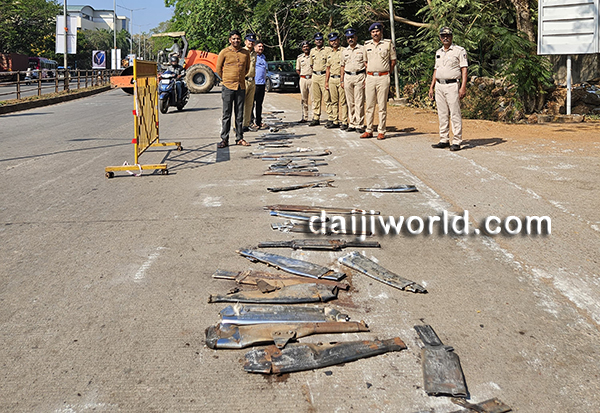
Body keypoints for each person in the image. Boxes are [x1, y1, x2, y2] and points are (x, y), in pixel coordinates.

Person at [428, 27, 468, 152]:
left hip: (452, 85)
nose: (445, 38)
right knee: (442, 113)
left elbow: (464, 69)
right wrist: (431, 86)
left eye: (448, 35)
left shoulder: (459, 51)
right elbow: (436, 70)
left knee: (455, 113)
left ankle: (456, 140)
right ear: (440, 38)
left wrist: (463, 87)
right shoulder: (438, 52)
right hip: (439, 85)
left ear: (452, 37)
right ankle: (444, 139)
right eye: (443, 36)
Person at [216, 30, 251, 148]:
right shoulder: (224, 52)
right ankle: (224, 139)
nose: (236, 40)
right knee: (227, 114)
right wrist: (226, 79)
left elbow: (247, 68)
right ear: (230, 40)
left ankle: (239, 138)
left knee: (239, 114)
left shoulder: (245, 53)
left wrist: (239, 78)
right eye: (234, 38)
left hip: (241, 86)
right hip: (228, 86)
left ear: (241, 40)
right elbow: (218, 69)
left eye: (238, 38)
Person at [362, 22, 396, 140]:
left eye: (377, 31)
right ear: (370, 34)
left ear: (381, 32)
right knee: (369, 105)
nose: (375, 33)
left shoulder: (388, 44)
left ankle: (381, 131)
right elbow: (365, 62)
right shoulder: (366, 45)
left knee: (382, 105)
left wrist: (387, 73)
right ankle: (369, 130)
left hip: (383, 77)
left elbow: (393, 61)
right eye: (373, 32)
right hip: (370, 77)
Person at [340, 27, 366, 133]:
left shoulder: (362, 49)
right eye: (348, 38)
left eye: (352, 37)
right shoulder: (344, 51)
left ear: (356, 37)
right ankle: (352, 123)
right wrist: (342, 80)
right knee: (350, 102)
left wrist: (366, 78)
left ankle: (359, 124)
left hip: (360, 76)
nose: (350, 39)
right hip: (348, 77)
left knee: (359, 101)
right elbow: (342, 66)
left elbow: (366, 64)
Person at [325, 32, 348, 129]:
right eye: (331, 41)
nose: (333, 42)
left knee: (343, 102)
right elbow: (328, 68)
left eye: (335, 40)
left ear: (338, 40)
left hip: (341, 79)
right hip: (332, 79)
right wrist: (326, 82)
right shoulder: (329, 53)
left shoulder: (344, 51)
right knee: (333, 101)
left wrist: (343, 79)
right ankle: (335, 121)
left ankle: (345, 121)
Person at [309, 32, 332, 126]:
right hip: (315, 76)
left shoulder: (328, 50)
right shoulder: (312, 51)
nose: (318, 41)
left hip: (324, 76)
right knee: (316, 99)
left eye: (320, 40)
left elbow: (330, 64)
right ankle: (316, 117)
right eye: (317, 40)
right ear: (314, 41)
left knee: (327, 98)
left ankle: (330, 117)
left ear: (323, 41)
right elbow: (311, 64)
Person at [242, 33, 257, 132]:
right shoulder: (242, 52)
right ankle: (237, 125)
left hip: (252, 81)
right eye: (249, 41)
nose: (251, 43)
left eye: (252, 41)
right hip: (244, 80)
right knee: (240, 104)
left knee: (249, 105)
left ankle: (246, 125)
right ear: (245, 42)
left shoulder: (254, 53)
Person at [296, 40, 313, 123]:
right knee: (304, 99)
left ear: (309, 47)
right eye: (304, 47)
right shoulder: (300, 58)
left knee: (314, 99)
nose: (306, 48)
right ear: (302, 49)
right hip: (303, 79)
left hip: (312, 78)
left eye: (307, 46)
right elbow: (297, 69)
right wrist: (302, 76)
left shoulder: (313, 56)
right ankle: (305, 117)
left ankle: (314, 117)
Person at [253, 41, 268, 129]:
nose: (261, 48)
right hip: (254, 84)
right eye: (259, 46)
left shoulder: (263, 57)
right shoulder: (252, 56)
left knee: (259, 104)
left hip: (262, 84)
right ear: (255, 47)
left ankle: (259, 121)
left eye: (262, 46)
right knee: (251, 104)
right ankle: (251, 122)